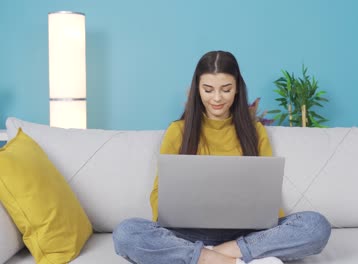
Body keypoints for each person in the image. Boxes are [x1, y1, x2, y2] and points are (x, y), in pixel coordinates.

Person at [112, 50, 331, 264]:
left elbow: (268, 194)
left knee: (316, 226)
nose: (217, 98)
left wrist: (269, 227)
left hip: (244, 235)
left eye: (226, 89)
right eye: (208, 90)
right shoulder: (177, 131)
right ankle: (229, 260)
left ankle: (206, 256)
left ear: (237, 89)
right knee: (126, 233)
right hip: (186, 232)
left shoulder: (255, 132)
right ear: (197, 89)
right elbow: (159, 192)